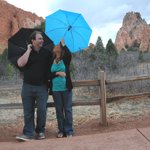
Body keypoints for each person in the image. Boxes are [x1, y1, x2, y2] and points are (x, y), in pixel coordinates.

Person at [15, 31, 53, 141]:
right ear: (33, 41)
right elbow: (20, 63)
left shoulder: (47, 53)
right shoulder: (26, 52)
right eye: (39, 39)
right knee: (28, 111)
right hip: (27, 87)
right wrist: (28, 50)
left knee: (42, 110)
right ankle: (28, 133)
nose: (42, 40)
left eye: (42, 39)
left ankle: (40, 131)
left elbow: (54, 64)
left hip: (42, 86)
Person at [49, 39, 73, 138]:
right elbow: (48, 74)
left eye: (58, 45)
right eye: (56, 45)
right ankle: (61, 131)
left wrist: (64, 43)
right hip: (55, 90)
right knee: (59, 110)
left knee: (67, 110)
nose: (57, 47)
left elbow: (69, 54)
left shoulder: (65, 59)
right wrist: (58, 73)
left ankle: (69, 131)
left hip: (66, 88)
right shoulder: (51, 60)